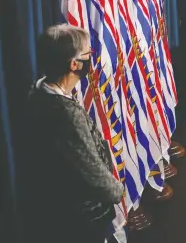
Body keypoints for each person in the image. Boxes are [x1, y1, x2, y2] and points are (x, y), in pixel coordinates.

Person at [21, 24, 124, 243]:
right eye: (88, 54)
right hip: (84, 214)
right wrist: (118, 190)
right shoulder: (67, 114)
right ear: (74, 64)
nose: (91, 58)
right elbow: (91, 169)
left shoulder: (38, 89)